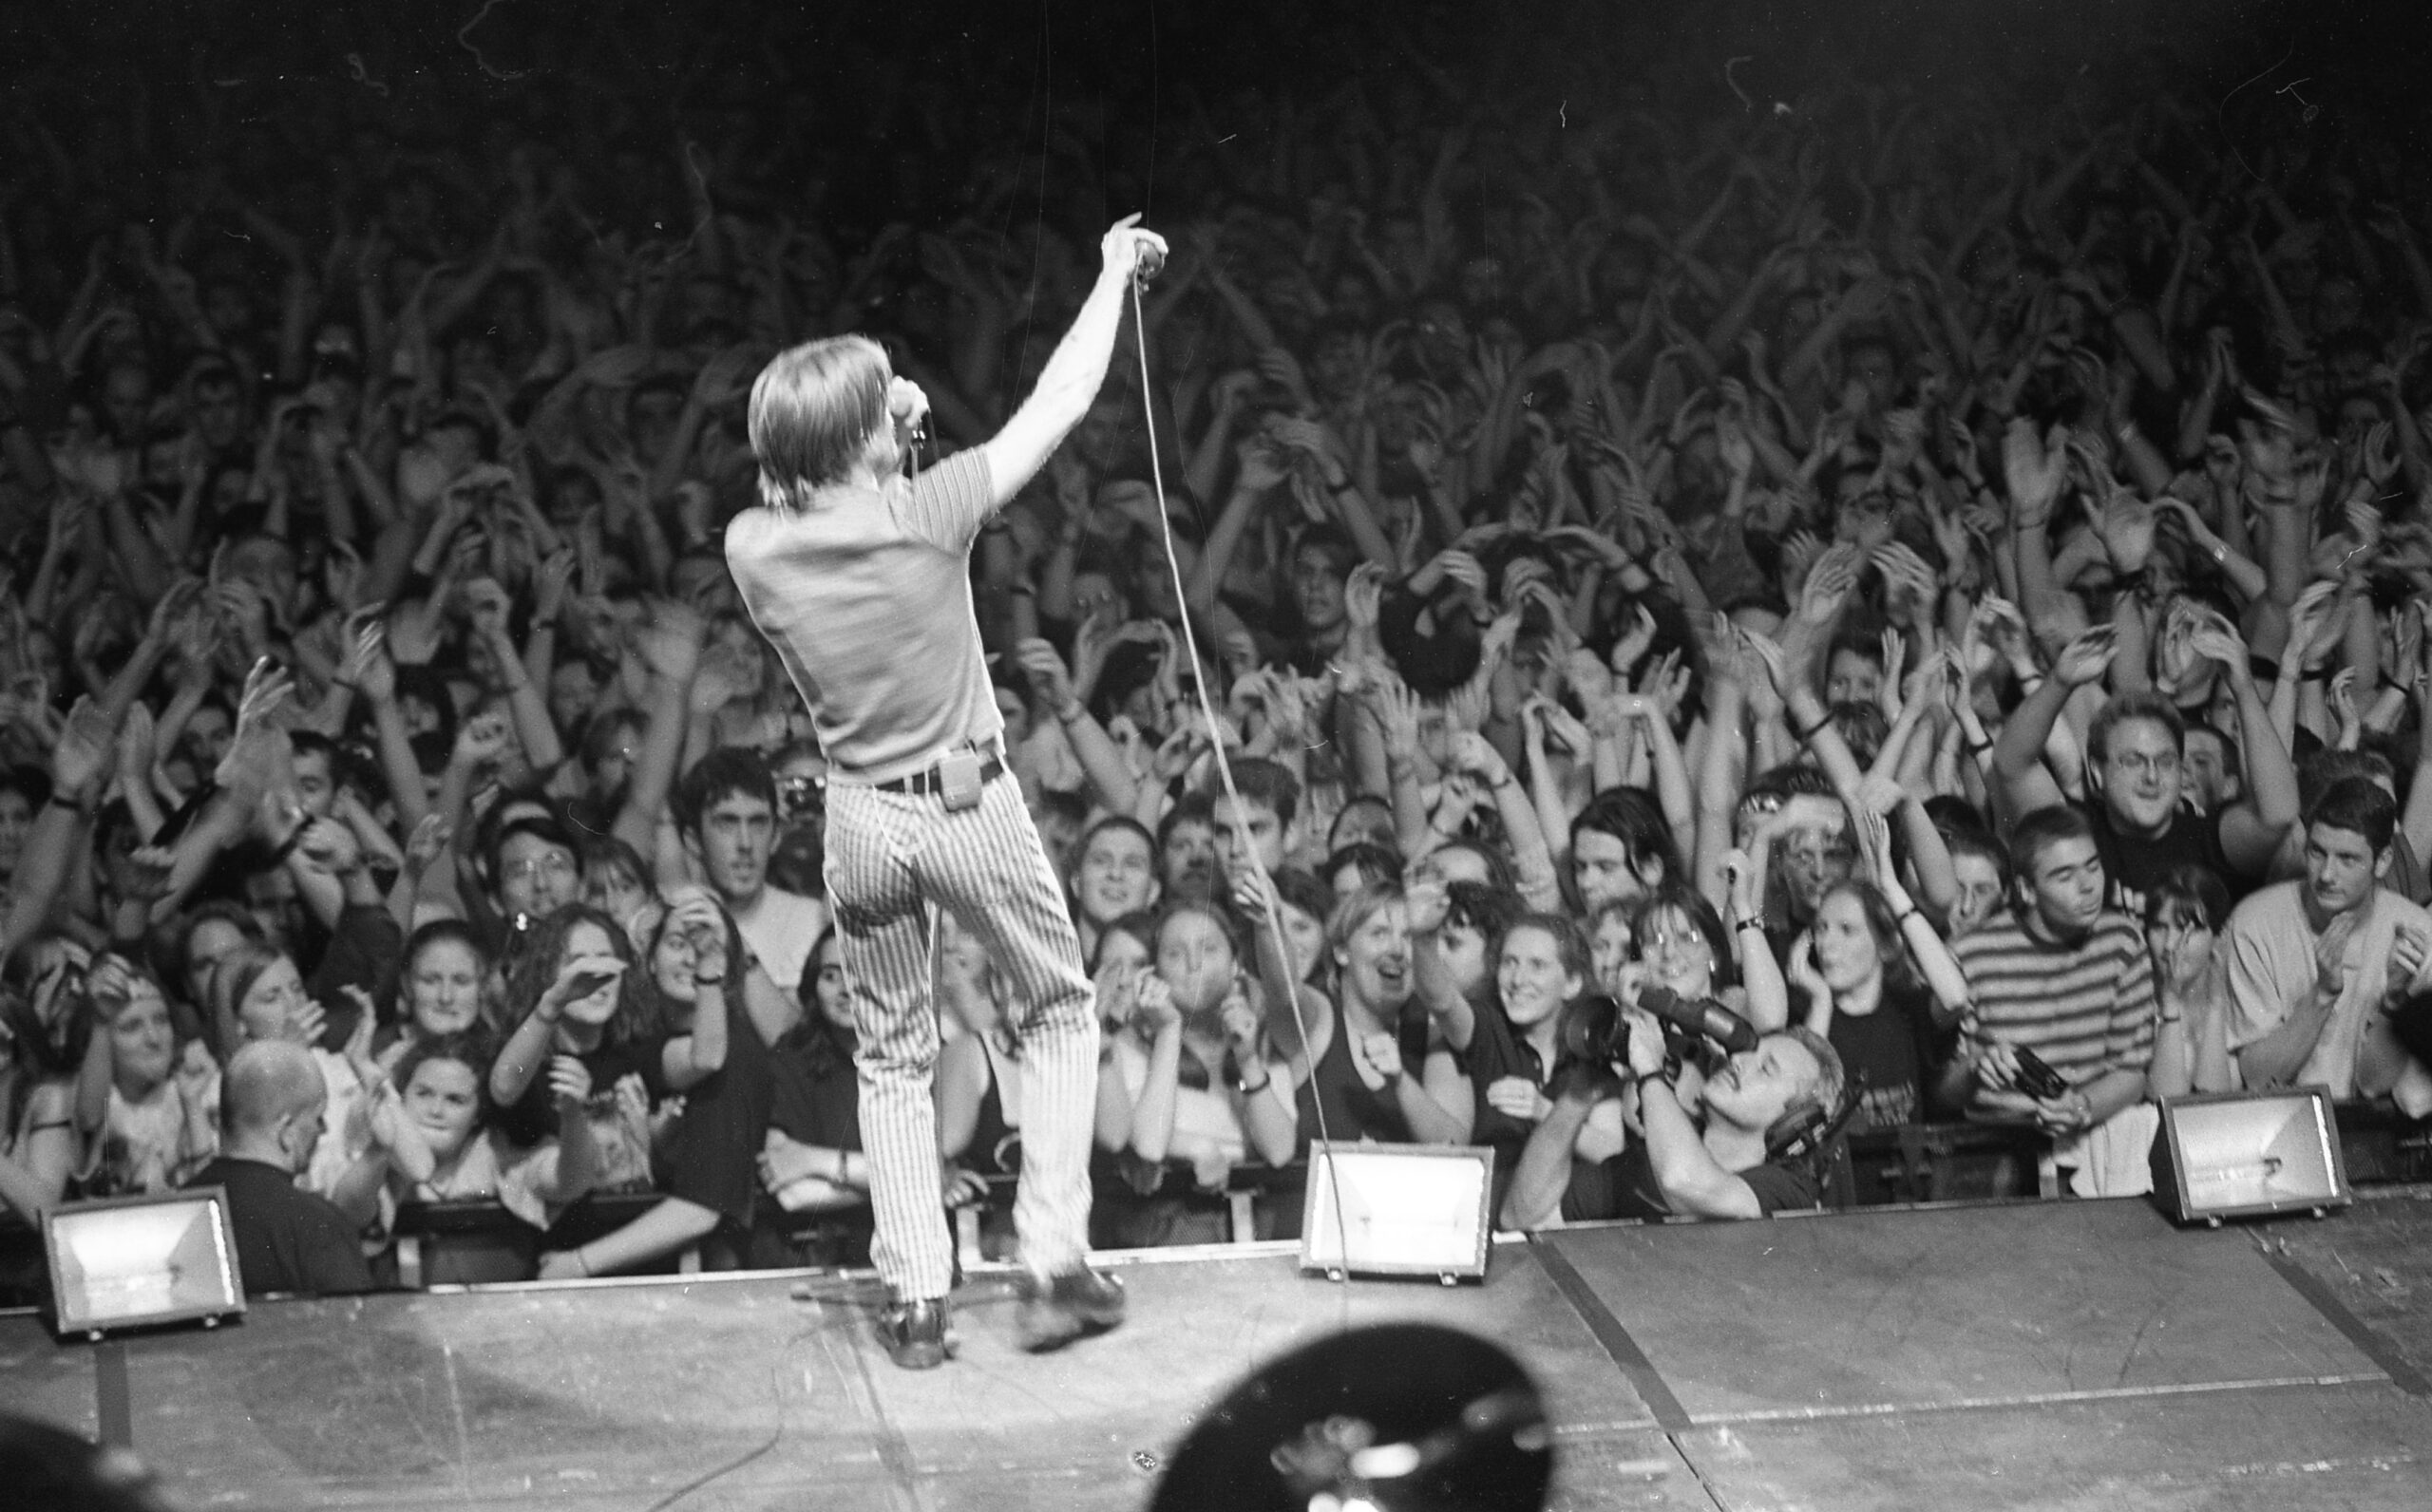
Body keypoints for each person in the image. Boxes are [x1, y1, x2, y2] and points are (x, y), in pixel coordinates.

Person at [724, 213, 1168, 1367]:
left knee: (891, 1054)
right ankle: (1052, 1261)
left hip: (859, 820)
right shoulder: (931, 509)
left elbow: (819, 502)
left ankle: (919, 1293)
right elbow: (1057, 404)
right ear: (865, 435)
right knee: (1058, 1009)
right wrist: (1109, 273)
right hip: (966, 802)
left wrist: (879, 441)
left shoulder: (751, 546)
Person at [1948, 807, 2160, 1196]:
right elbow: (1943, 1091)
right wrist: (1976, 1068)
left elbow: (2131, 1072)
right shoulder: (1973, 955)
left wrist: (2082, 1106)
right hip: (1994, 1150)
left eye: (2093, 867)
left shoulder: (2122, 942)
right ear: (2027, 890)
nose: (2088, 886)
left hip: (2093, 1142)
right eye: (2064, 876)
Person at [2220, 779, 2432, 1103]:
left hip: (2376, 1122)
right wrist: (2322, 995)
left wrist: (2393, 1002)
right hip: (2284, 1116)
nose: (2326, 875)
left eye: (2347, 859)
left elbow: (2374, 1087)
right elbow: (2258, 1078)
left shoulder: (2418, 934)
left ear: (2383, 861)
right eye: (2317, 853)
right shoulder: (2256, 923)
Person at [186, 1040, 373, 1297]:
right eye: (318, 1117)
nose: (323, 1130)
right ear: (287, 1130)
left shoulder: (174, 1212)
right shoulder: (316, 1225)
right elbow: (357, 1319)